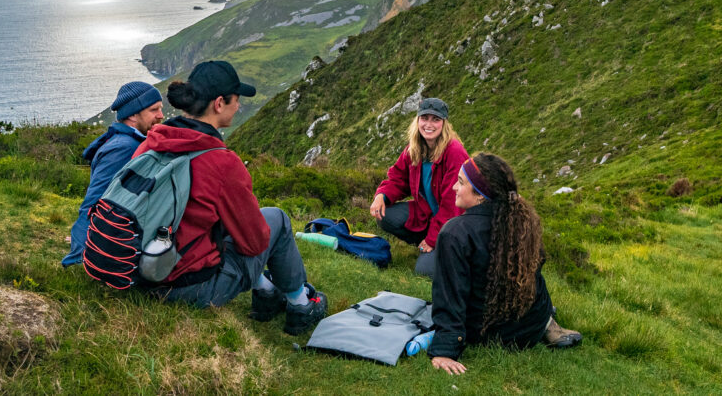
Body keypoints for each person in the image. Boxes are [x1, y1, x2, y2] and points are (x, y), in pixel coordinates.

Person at [134, 59, 327, 335]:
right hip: (190, 288)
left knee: (219, 226)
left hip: (144, 272)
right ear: (219, 103)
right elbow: (254, 242)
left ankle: (267, 293)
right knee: (277, 220)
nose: (239, 106)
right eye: (236, 100)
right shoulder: (220, 162)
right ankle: (300, 305)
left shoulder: (151, 143)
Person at [429, 153, 582, 375]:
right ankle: (548, 322)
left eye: (461, 183)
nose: (454, 187)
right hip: (530, 327)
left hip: (489, 334)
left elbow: (451, 294)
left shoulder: (455, 232)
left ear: (481, 195)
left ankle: (546, 321)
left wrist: (445, 348)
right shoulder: (523, 220)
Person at [62, 81, 165, 267]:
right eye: (154, 110)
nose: (161, 115)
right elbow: (95, 202)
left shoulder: (129, 142)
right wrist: (81, 253)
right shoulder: (124, 148)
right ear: (133, 114)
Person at [368, 97, 467, 279]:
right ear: (418, 120)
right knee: (385, 216)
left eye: (435, 119)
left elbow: (452, 207)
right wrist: (382, 195)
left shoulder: (454, 152)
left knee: (424, 272)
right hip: (428, 215)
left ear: (444, 124)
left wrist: (432, 239)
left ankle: (440, 248)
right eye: (425, 118)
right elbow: (398, 178)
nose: (429, 124)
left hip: (454, 225)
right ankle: (426, 245)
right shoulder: (414, 149)